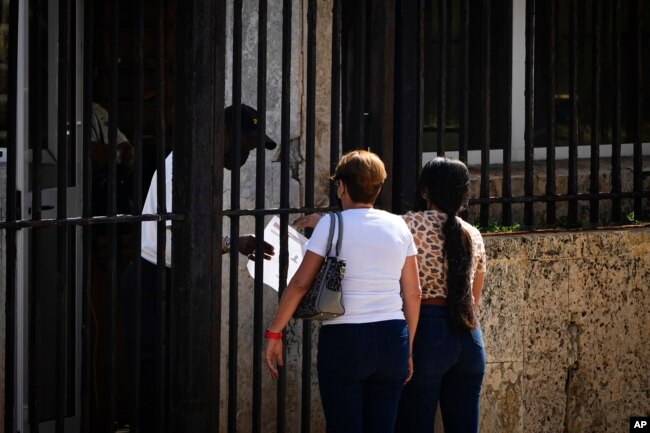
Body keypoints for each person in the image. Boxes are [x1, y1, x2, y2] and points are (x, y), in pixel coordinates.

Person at [121, 104, 276, 432]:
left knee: (176, 378)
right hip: (153, 281)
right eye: (245, 145)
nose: (246, 155)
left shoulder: (203, 165)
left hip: (173, 279)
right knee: (154, 385)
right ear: (223, 132)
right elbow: (180, 228)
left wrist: (235, 241)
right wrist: (232, 242)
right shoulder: (186, 164)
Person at [264, 150, 422, 433]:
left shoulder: (331, 223)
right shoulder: (399, 225)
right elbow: (413, 294)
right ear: (378, 187)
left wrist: (275, 332)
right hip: (393, 338)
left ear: (342, 187)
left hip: (345, 339)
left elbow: (300, 283)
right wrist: (407, 347)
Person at [396, 157, 487, 433]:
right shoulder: (472, 233)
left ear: (425, 191)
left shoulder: (406, 225)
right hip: (470, 336)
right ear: (463, 195)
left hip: (425, 331)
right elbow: (475, 296)